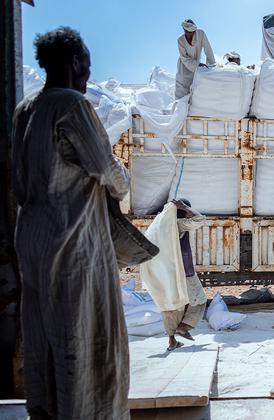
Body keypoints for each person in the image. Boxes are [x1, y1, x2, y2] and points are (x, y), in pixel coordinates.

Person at [12, 27, 132, 419]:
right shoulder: (72, 105)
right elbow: (106, 170)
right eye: (87, 66)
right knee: (83, 334)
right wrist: (124, 181)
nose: (88, 76)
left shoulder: (25, 109)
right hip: (73, 242)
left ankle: (47, 408)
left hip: (32, 240)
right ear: (75, 62)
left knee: (42, 330)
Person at [162, 199, 207, 352]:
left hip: (167, 273)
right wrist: (186, 207)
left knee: (171, 306)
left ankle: (172, 340)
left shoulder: (161, 225)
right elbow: (200, 219)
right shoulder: (179, 224)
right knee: (199, 300)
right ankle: (184, 326)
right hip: (184, 272)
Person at [176, 19, 216, 98]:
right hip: (183, 67)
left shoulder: (201, 34)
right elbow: (184, 58)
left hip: (196, 67)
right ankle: (179, 109)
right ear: (184, 30)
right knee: (182, 92)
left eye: (191, 32)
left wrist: (212, 67)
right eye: (187, 32)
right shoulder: (180, 40)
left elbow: (208, 50)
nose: (189, 34)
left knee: (195, 91)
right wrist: (197, 65)